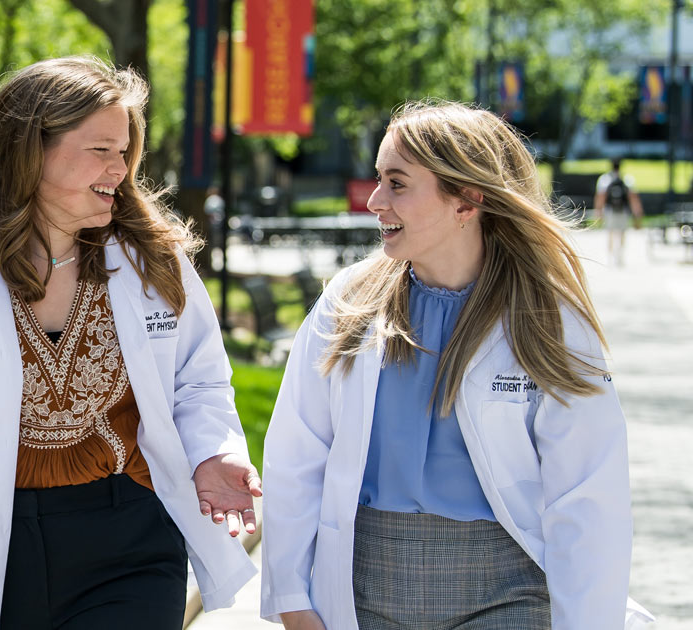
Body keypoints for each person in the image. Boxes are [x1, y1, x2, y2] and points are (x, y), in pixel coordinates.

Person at [0, 56, 261, 630]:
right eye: (100, 149)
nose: (119, 168)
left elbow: (198, 380)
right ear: (31, 148)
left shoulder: (151, 258)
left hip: (131, 535)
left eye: (124, 151)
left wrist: (214, 453)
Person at [260, 101, 652, 630]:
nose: (375, 200)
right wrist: (291, 595)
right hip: (362, 586)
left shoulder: (547, 317)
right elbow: (296, 452)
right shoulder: (349, 303)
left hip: (509, 589)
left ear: (467, 200)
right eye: (378, 180)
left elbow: (587, 491)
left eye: (397, 184)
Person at [593, 158, 644, 266]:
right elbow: (633, 197)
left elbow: (601, 197)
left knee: (610, 233)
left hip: (610, 210)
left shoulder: (605, 179)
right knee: (622, 233)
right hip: (623, 210)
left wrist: (598, 212)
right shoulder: (627, 179)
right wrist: (637, 213)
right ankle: (619, 254)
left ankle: (610, 255)